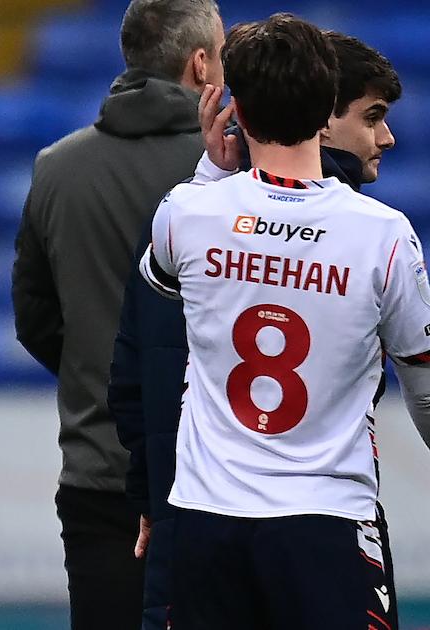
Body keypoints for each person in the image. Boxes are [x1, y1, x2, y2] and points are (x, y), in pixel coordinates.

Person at [138, 13, 430, 628]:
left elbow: (157, 291)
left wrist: (214, 171)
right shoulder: (384, 236)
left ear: (237, 113)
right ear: (328, 108)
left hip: (208, 519)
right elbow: (424, 390)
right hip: (325, 521)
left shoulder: (187, 212)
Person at [10, 0, 223, 626]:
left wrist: (99, 376)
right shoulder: (239, 176)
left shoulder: (55, 168)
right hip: (218, 475)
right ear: (201, 63)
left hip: (98, 472)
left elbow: (35, 319)